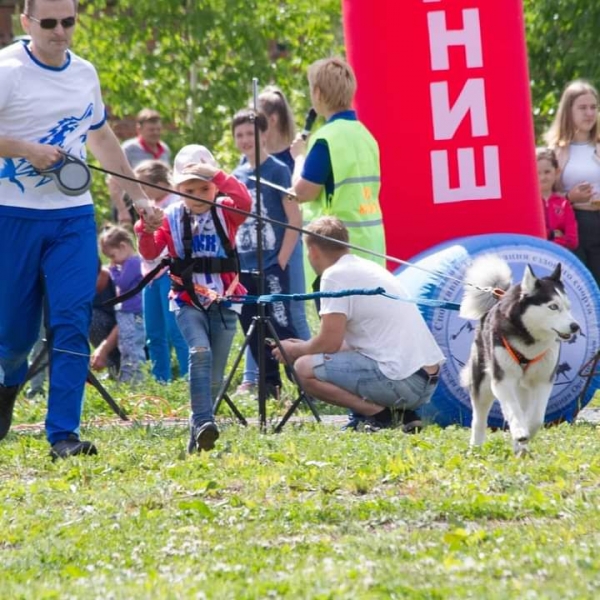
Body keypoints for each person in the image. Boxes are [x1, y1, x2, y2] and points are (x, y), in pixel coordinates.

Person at [0, 0, 156, 458]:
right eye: (48, 22)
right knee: (14, 335)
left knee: (71, 322)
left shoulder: (84, 73)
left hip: (71, 217)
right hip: (12, 216)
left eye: (68, 21)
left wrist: (138, 195)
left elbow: (102, 137)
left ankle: (63, 435)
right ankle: (8, 380)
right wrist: (25, 149)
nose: (59, 31)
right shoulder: (7, 69)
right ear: (27, 23)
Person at [272, 216, 445, 432]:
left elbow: (330, 343)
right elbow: (347, 345)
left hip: (403, 382)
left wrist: (296, 350)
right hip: (426, 382)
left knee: (302, 368)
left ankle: (379, 416)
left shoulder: (334, 276)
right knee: (313, 359)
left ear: (313, 251)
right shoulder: (367, 267)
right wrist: (307, 347)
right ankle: (404, 414)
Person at [135, 144, 251, 453]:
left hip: (226, 300)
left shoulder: (227, 210)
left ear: (215, 187)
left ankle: (197, 430)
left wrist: (217, 173)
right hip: (187, 300)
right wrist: (147, 229)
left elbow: (245, 201)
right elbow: (149, 252)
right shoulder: (170, 217)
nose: (198, 194)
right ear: (177, 189)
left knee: (214, 379)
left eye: (205, 187)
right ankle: (203, 422)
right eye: (190, 189)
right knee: (199, 352)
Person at [290, 57, 386, 289]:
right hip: (370, 245)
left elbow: (302, 192)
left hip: (335, 251)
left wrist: (298, 158)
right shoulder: (365, 135)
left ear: (318, 93)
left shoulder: (326, 139)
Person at [231, 108, 301, 399]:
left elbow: (293, 218)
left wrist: (282, 259)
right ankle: (270, 388)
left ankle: (302, 381)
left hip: (272, 263)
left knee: (281, 324)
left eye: (250, 133)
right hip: (244, 266)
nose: (245, 140)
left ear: (262, 134)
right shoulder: (236, 176)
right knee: (252, 327)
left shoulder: (277, 170)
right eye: (239, 135)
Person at [258, 86, 311, 341]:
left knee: (295, 309)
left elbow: (296, 199)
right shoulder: (257, 159)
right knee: (257, 309)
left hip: (290, 243)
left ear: (272, 119)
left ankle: (308, 370)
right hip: (264, 245)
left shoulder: (291, 158)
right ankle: (252, 375)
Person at [134, 160, 188, 382]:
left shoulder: (176, 203)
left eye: (142, 186)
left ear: (159, 183)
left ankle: (190, 377)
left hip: (169, 273)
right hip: (150, 275)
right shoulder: (146, 206)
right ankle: (161, 380)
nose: (139, 192)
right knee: (153, 332)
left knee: (176, 329)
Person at [545, 79, 600, 284]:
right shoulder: (555, 150)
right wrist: (569, 197)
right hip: (575, 223)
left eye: (594, 107)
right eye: (583, 108)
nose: (589, 113)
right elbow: (543, 194)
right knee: (585, 283)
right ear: (569, 111)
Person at [99, 226, 146, 383]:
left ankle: (136, 378)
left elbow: (123, 283)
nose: (112, 261)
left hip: (132, 311)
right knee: (125, 345)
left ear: (123, 246)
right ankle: (127, 377)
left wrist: (113, 271)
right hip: (126, 311)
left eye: (112, 256)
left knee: (132, 345)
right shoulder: (127, 264)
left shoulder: (133, 263)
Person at [110, 108, 171, 225]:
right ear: (139, 129)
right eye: (151, 129)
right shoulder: (129, 149)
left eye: (158, 129)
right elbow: (113, 180)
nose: (156, 133)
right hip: (130, 205)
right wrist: (122, 210)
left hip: (156, 207)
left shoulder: (165, 150)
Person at [536, 148, 578, 250]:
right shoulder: (528, 204)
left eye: (547, 172)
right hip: (535, 257)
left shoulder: (564, 204)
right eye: (538, 173)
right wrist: (552, 234)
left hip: (559, 257)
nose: (542, 177)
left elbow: (572, 241)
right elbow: (530, 235)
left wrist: (552, 240)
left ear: (557, 171)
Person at [89, 262, 121, 377]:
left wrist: (103, 349)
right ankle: (113, 367)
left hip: (136, 332)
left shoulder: (118, 281)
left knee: (93, 318)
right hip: (111, 332)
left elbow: (128, 321)